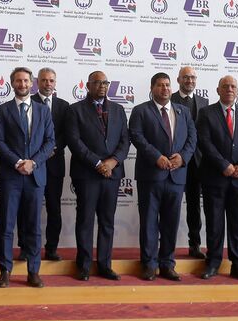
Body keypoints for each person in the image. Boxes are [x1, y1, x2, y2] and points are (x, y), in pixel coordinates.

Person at [128, 72, 197, 282]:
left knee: (171, 223)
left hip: (176, 176)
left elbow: (192, 138)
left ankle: (167, 263)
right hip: (151, 175)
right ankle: (149, 264)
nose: (165, 88)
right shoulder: (141, 111)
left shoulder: (183, 111)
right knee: (149, 221)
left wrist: (183, 158)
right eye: (160, 85)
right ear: (152, 88)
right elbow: (137, 136)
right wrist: (156, 157)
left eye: (167, 85)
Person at [0, 67, 55, 288]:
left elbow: (50, 142)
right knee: (7, 226)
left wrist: (33, 162)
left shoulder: (43, 110)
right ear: (12, 83)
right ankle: (5, 271)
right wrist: (18, 162)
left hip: (35, 176)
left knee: (33, 226)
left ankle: (33, 271)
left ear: (32, 83)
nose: (23, 84)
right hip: (11, 176)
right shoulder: (3, 110)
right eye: (18, 81)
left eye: (26, 81)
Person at [65, 71, 130, 281]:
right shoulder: (75, 110)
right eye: (97, 82)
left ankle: (104, 264)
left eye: (105, 82)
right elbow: (75, 142)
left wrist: (112, 162)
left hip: (112, 174)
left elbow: (124, 141)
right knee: (85, 220)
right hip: (87, 174)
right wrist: (97, 163)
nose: (102, 86)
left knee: (107, 221)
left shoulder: (119, 110)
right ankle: (83, 265)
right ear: (88, 85)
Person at [197, 75, 238, 281]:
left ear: (237, 90)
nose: (229, 89)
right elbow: (204, 142)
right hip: (215, 177)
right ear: (218, 90)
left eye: (233, 86)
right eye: (225, 86)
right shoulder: (206, 113)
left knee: (237, 224)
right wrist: (224, 165)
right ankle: (213, 262)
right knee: (214, 223)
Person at [28, 67, 69, 261]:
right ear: (37, 82)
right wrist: (38, 155)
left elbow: (67, 133)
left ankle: (51, 248)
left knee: (54, 208)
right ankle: (26, 248)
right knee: (28, 208)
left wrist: (51, 149)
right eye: (44, 80)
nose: (48, 84)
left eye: (51, 81)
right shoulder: (28, 102)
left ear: (55, 83)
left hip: (54, 164)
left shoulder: (64, 106)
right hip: (32, 164)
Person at [170, 65, 208, 259]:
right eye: (186, 78)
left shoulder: (204, 102)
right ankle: (166, 246)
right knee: (170, 204)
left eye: (193, 78)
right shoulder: (170, 99)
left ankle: (195, 244)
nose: (190, 81)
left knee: (194, 205)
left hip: (198, 163)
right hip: (175, 161)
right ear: (178, 80)